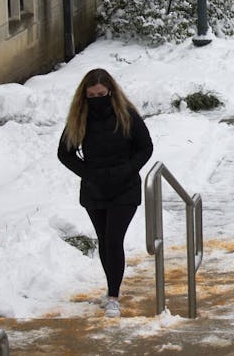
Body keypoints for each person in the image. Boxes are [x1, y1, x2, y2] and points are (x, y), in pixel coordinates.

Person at [57, 68, 154, 319]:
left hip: (125, 187)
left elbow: (145, 147)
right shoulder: (80, 117)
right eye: (92, 94)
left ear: (110, 91)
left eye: (101, 93)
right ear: (85, 95)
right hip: (95, 188)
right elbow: (64, 152)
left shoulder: (126, 114)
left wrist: (127, 169)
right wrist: (87, 173)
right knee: (104, 240)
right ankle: (111, 287)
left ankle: (113, 295)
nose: (97, 98)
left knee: (113, 240)